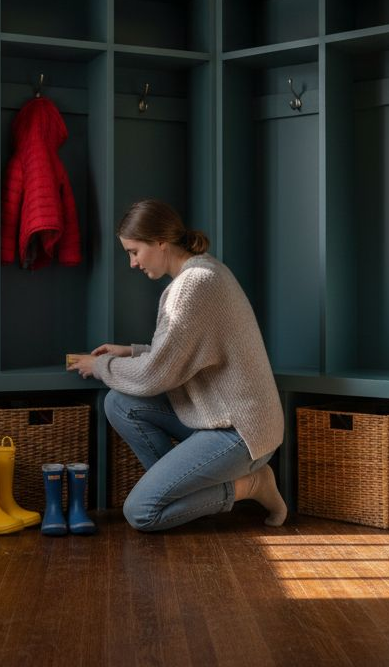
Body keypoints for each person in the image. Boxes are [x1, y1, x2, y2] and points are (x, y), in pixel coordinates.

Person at [68, 199, 287, 531]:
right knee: (120, 403)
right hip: (217, 415)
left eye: (134, 251)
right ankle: (180, 494)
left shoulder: (192, 285)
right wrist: (131, 352)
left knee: (141, 513)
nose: (132, 263)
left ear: (160, 242)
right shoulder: (205, 270)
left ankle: (253, 484)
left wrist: (100, 366)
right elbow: (188, 352)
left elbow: (155, 374)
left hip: (240, 432)